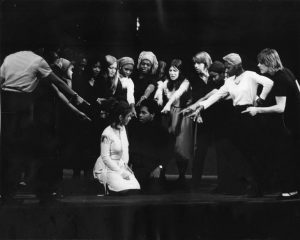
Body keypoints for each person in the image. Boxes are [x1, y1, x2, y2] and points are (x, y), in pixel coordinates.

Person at [0, 49, 88, 203]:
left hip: (12, 106)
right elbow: (58, 85)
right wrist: (75, 97)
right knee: (33, 150)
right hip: (25, 109)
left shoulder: (11, 59)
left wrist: (76, 109)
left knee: (12, 149)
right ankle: (40, 192)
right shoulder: (39, 63)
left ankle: (10, 192)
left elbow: (58, 93)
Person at [183, 53, 274, 197]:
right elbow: (217, 95)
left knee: (249, 151)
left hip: (249, 114)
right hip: (237, 115)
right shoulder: (230, 81)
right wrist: (201, 106)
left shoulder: (249, 75)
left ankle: (257, 185)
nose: (226, 70)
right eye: (225, 68)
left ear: (238, 65)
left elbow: (269, 83)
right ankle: (247, 182)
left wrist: (259, 100)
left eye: (228, 67)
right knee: (231, 149)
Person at [243, 48, 300, 199]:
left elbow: (280, 108)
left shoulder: (280, 79)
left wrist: (257, 110)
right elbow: (298, 88)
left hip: (289, 125)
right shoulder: (286, 71)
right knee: (289, 156)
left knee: (285, 157)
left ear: (269, 63)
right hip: (293, 122)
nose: (258, 65)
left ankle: (290, 190)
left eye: (261, 62)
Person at [156, 59, 193, 188]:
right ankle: (162, 174)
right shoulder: (166, 83)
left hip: (182, 115)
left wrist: (167, 104)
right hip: (169, 115)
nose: (172, 73)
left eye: (175, 70)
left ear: (180, 71)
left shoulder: (185, 82)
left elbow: (178, 94)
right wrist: (160, 95)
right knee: (166, 145)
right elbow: (160, 88)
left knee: (181, 147)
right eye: (170, 70)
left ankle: (182, 177)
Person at [93, 100, 140, 195]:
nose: (130, 118)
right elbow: (105, 158)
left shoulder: (123, 129)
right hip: (107, 167)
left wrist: (125, 167)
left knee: (135, 187)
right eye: (128, 116)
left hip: (120, 165)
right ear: (120, 117)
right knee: (124, 189)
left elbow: (125, 149)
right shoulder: (106, 133)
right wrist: (120, 172)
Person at [128, 99, 173, 193]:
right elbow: (132, 150)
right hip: (139, 170)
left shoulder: (161, 131)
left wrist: (160, 167)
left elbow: (168, 152)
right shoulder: (136, 129)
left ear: (152, 115)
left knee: (154, 191)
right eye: (140, 112)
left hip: (154, 170)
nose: (140, 115)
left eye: (144, 113)